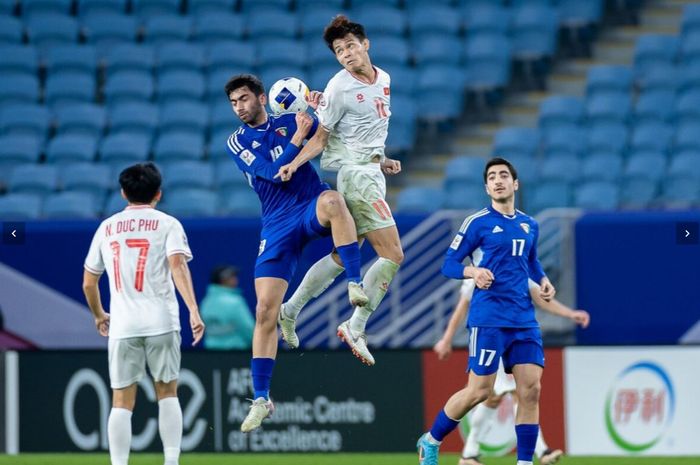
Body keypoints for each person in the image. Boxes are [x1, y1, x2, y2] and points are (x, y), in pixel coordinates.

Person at [223, 74, 368, 433]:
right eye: (234, 103)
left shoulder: (294, 116)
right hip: (276, 224)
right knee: (264, 311)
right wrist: (300, 136)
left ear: (262, 97)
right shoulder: (237, 141)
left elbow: (338, 134)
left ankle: (355, 283)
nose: (239, 107)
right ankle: (261, 398)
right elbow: (274, 173)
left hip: (310, 206)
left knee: (335, 201)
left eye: (244, 99)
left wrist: (323, 107)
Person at [275, 15, 404, 366]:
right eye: (338, 50)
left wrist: (381, 159)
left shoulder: (385, 79)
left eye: (349, 46)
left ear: (366, 44)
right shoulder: (338, 87)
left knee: (343, 252)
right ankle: (355, 325)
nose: (345, 54)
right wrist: (295, 162)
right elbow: (322, 139)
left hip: (369, 171)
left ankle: (290, 308)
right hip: (356, 178)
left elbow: (361, 135)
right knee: (392, 254)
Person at [417, 157, 555, 465]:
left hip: (523, 318)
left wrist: (544, 280)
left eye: (504, 175)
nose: (498, 180)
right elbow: (448, 264)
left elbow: (531, 262)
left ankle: (525, 462)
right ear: (486, 187)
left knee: (531, 391)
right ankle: (431, 440)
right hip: (488, 318)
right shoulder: (477, 223)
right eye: (492, 177)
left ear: (515, 184)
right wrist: (473, 273)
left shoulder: (528, 224)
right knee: (479, 391)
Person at [82, 162, 205, 465]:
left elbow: (88, 282)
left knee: (122, 401)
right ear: (158, 194)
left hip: (123, 325)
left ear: (124, 193)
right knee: (168, 393)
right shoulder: (168, 224)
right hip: (161, 320)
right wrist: (193, 309)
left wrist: (99, 315)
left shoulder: (107, 227)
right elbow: (178, 266)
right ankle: (172, 461)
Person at [434, 279, 591, 465]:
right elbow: (462, 306)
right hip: (491, 338)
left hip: (515, 338)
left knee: (516, 394)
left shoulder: (519, 262)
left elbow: (539, 297)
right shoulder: (480, 270)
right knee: (488, 395)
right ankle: (453, 447)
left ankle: (473, 453)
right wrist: (446, 339)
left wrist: (570, 314)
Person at [200, 265, 255, 350]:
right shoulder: (235, 302)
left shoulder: (206, 302)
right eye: (232, 277)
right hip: (236, 353)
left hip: (210, 352)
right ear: (224, 280)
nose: (236, 279)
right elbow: (249, 329)